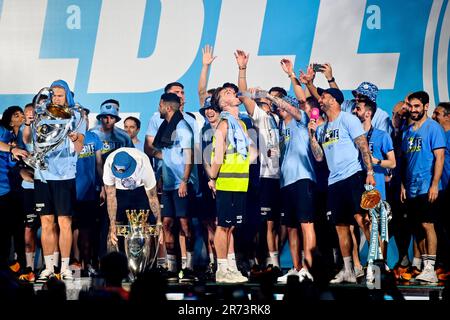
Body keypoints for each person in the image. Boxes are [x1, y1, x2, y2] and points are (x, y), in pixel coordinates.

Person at [308, 87, 375, 284]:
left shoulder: (348, 119)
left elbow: (363, 145)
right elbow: (319, 157)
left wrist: (369, 172)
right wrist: (312, 135)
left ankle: (376, 265)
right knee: (341, 227)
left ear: (335, 100)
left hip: (352, 176)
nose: (320, 99)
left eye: (325, 96)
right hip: (334, 182)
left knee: (363, 221)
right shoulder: (322, 128)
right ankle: (348, 270)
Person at [29, 79, 86, 281]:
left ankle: (64, 267)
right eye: (53, 95)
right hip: (42, 175)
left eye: (60, 95)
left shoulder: (77, 116)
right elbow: (31, 141)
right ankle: (48, 267)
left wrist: (75, 138)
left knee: (64, 222)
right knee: (46, 223)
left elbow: (79, 148)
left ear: (68, 96)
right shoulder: (42, 114)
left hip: (64, 176)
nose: (56, 98)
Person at [208, 86, 255, 283]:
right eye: (226, 93)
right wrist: (213, 177)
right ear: (221, 103)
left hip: (240, 182)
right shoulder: (224, 124)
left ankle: (231, 267)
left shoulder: (241, 125)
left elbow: (249, 154)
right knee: (223, 226)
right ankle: (221, 270)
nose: (232, 93)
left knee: (231, 226)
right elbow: (218, 155)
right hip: (226, 181)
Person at [150, 93, 197, 282]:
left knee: (185, 225)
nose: (159, 109)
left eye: (160, 106)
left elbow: (189, 156)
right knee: (167, 224)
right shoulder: (165, 128)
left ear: (167, 107)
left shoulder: (182, 127)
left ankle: (190, 267)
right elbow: (166, 155)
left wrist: (184, 180)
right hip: (168, 185)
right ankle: (172, 267)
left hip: (181, 185)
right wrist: (161, 176)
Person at [401, 91, 446, 283]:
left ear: (426, 106)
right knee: (418, 228)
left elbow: (440, 157)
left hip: (428, 186)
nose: (413, 110)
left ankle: (430, 269)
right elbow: (405, 161)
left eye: (417, 106)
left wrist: (435, 184)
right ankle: (423, 267)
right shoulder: (407, 132)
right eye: (411, 106)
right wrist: (403, 185)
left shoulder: (433, 128)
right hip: (411, 188)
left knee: (428, 225)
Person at [104, 147, 161, 256]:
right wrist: (112, 224)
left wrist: (158, 222)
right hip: (119, 192)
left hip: (140, 190)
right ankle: (114, 266)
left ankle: (147, 266)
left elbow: (152, 197)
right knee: (113, 230)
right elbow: (111, 196)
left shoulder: (143, 163)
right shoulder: (109, 163)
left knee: (147, 228)